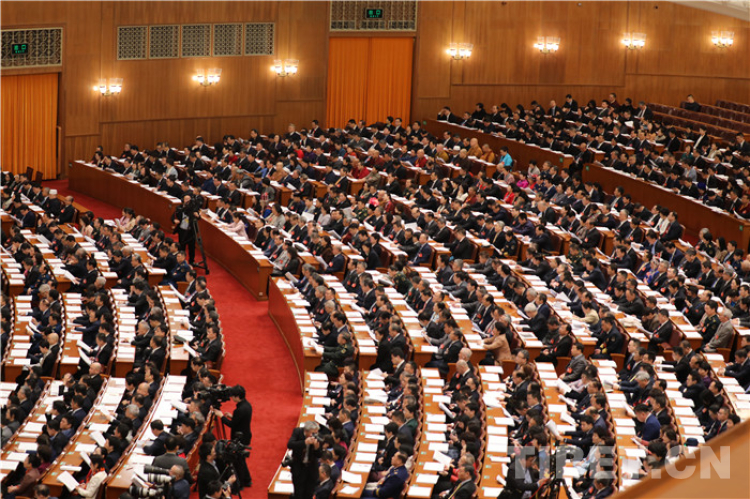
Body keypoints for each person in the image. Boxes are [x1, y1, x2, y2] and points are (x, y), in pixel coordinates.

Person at [212, 385, 252, 487]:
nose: (231, 398)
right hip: (246, 434)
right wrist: (233, 416)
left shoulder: (239, 410)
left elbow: (232, 424)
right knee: (241, 459)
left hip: (239, 437)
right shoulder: (247, 405)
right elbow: (240, 420)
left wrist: (221, 416)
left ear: (237, 397)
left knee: (238, 461)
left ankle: (241, 482)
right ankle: (247, 479)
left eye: (233, 396)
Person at [287, 421, 322, 499]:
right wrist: (304, 442)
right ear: (306, 431)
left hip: (311, 470)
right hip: (299, 468)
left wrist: (316, 448)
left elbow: (319, 455)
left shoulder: (317, 437)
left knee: (309, 494)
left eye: (316, 432)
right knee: (298, 494)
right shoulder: (297, 432)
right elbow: (290, 444)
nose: (315, 435)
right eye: (313, 433)